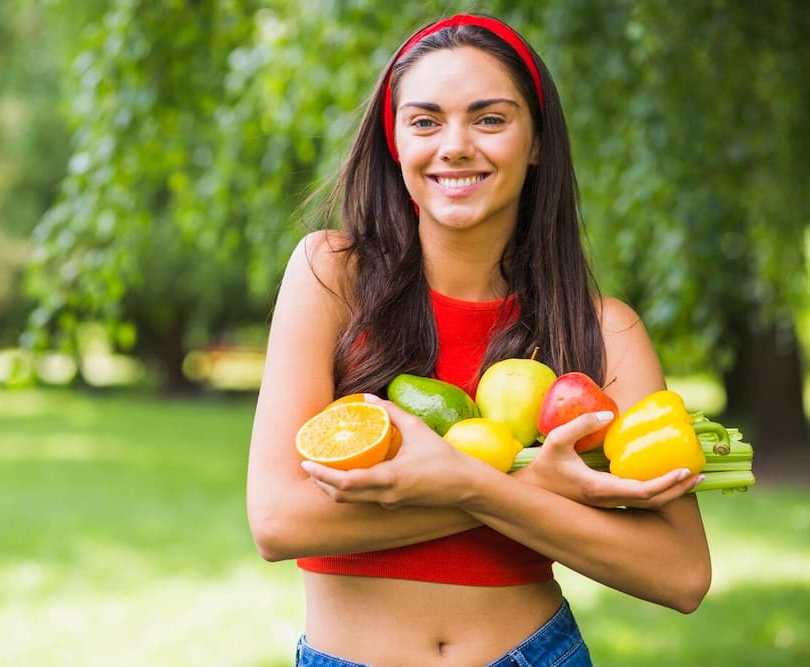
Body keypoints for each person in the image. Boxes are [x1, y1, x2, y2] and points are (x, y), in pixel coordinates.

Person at [246, 13, 711, 667]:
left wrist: (470, 486)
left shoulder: (605, 329)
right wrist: (536, 491)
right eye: (425, 120)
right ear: (395, 140)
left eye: (490, 119)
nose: (456, 145)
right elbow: (277, 520)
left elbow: (682, 572)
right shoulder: (333, 275)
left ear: (537, 141)